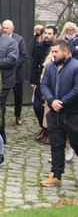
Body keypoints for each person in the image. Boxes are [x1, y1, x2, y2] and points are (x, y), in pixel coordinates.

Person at [39, 39, 78, 186]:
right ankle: (56, 175)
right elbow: (44, 84)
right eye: (52, 51)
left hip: (72, 113)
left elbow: (77, 88)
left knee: (76, 142)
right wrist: (52, 100)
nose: (53, 54)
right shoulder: (50, 67)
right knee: (56, 144)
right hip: (54, 113)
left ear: (66, 51)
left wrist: (62, 101)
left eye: (56, 51)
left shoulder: (75, 66)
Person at [32, 25, 56, 143]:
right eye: (45, 33)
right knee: (37, 106)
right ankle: (43, 127)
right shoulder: (39, 46)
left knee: (50, 108)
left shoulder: (57, 47)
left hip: (54, 82)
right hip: (41, 81)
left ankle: (50, 131)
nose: (47, 35)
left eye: (49, 33)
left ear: (54, 35)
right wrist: (33, 81)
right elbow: (34, 63)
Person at [2, 20, 28, 126]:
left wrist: (13, 64)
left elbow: (24, 56)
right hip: (3, 73)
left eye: (7, 28)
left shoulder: (19, 39)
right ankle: (0, 115)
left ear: (12, 28)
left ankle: (18, 115)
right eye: (3, 28)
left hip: (16, 73)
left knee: (18, 96)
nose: (4, 30)